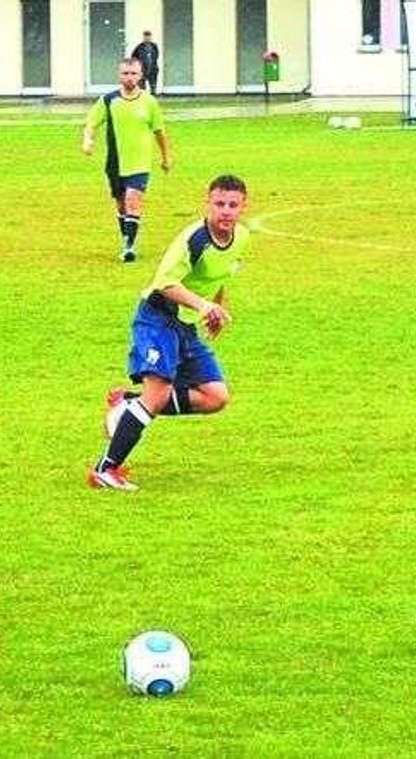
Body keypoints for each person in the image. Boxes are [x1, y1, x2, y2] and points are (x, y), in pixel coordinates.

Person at [89, 175, 250, 491]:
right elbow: (166, 283)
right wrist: (204, 306)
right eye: (220, 204)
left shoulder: (242, 237)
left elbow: (220, 274)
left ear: (244, 206)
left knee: (216, 396)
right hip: (157, 317)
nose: (226, 211)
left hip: (186, 326)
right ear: (208, 203)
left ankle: (128, 403)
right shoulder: (194, 239)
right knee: (158, 394)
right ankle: (105, 470)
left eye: (233, 205)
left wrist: (215, 308)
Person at [82, 57, 172, 263]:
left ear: (140, 76)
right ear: (119, 75)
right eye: (125, 73)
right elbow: (91, 123)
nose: (129, 78)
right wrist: (88, 141)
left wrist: (166, 157)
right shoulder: (108, 101)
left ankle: (129, 247)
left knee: (133, 200)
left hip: (139, 163)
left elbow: (160, 132)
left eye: (133, 74)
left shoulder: (149, 102)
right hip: (115, 164)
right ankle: (126, 237)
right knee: (121, 205)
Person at [130, 31, 161, 95]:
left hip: (153, 68)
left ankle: (153, 96)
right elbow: (133, 56)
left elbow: (156, 55)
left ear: (150, 37)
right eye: (145, 37)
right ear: (143, 38)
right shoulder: (139, 47)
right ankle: (142, 97)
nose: (147, 38)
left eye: (148, 37)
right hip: (142, 69)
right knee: (142, 85)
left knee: (153, 84)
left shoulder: (154, 46)